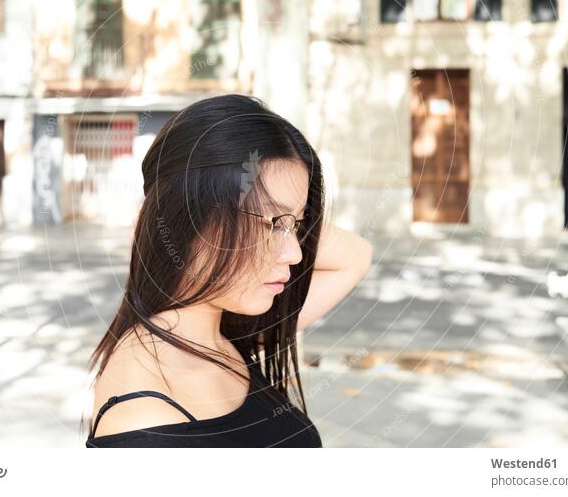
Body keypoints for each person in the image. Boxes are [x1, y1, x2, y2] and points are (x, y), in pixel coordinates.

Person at [84, 94, 374, 448]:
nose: (296, 253)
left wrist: (281, 216)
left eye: (296, 226)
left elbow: (356, 256)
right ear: (188, 218)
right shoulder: (146, 417)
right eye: (270, 224)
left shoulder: (226, 334)